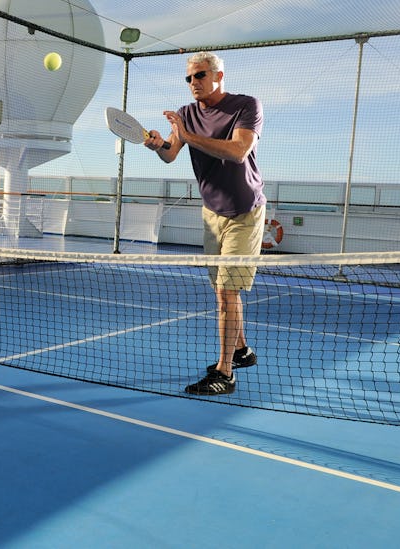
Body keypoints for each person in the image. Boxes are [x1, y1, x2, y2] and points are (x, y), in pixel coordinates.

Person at [143, 51, 263, 396]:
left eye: (200, 75)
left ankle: (225, 373)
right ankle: (242, 351)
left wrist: (186, 134)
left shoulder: (246, 105)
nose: (193, 83)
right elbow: (170, 153)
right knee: (222, 291)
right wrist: (157, 145)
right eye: (189, 78)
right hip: (212, 212)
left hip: (245, 212)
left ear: (218, 75)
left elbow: (238, 151)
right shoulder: (186, 115)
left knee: (228, 292)